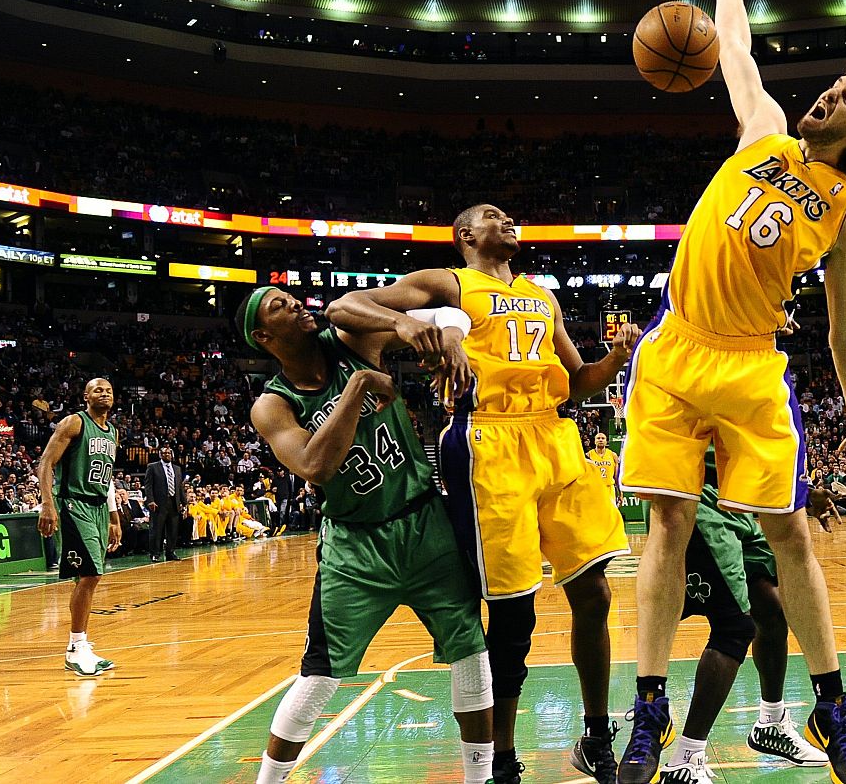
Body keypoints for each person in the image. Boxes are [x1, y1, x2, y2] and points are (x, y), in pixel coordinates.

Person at [617, 0, 846, 784]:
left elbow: (845, 329)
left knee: (788, 534)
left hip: (751, 364)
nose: (830, 93)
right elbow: (737, 54)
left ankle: (832, 712)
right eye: (835, 85)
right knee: (667, 526)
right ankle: (649, 713)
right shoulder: (767, 131)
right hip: (674, 350)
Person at [325, 207, 637, 784]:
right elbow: (341, 308)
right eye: (495, 216)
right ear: (466, 236)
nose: (511, 220)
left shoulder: (544, 297)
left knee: (594, 591)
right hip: (487, 441)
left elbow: (578, 380)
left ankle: (596, 736)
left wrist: (614, 360)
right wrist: (405, 325)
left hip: (554, 436)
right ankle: (502, 759)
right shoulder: (448, 282)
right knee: (513, 614)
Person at [237, 286, 496, 784]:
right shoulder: (272, 405)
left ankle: (479, 778)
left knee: (470, 654)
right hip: (355, 548)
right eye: (277, 305)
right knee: (319, 678)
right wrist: (357, 389)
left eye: (290, 296)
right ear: (263, 336)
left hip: (426, 526)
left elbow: (447, 311)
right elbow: (315, 465)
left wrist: (449, 340)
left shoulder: (352, 338)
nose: (293, 302)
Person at [658, 452, 831, 783]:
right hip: (699, 505)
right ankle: (686, 756)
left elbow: (756, 445)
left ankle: (772, 721)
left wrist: (803, 493)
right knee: (734, 627)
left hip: (740, 507)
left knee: (771, 611)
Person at [35, 377, 123, 677]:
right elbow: (45, 463)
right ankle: (75, 647)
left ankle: (81, 644)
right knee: (90, 575)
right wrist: (47, 504)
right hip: (74, 503)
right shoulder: (74, 423)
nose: (105, 393)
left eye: (109, 390)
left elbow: (107, 477)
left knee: (86, 577)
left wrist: (114, 517)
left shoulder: (113, 432)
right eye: (98, 389)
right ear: (86, 395)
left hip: (98, 507)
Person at [145, 446, 184, 561]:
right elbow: (148, 485)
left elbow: (179, 487)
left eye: (169, 453)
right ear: (160, 455)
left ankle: (170, 552)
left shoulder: (177, 468)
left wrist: (184, 502)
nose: (167, 454)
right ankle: (155, 554)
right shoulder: (152, 467)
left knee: (173, 530)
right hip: (158, 503)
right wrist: (150, 500)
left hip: (173, 502)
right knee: (156, 530)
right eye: (164, 453)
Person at [587, 432, 623, 505]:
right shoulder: (588, 455)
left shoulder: (613, 455)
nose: (600, 440)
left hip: (609, 489)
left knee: (611, 514)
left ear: (606, 441)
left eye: (603, 438)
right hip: (595, 489)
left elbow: (616, 477)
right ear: (594, 441)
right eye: (598, 438)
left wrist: (620, 493)